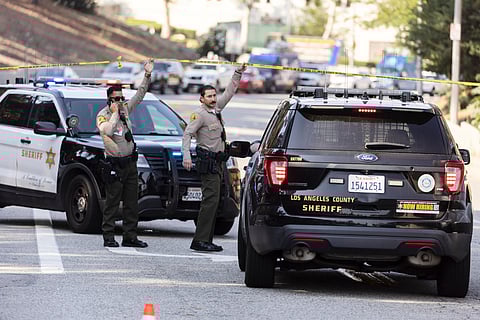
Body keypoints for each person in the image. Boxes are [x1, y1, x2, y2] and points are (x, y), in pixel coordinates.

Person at [182, 63, 247, 252]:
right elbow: (187, 134)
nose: (212, 98)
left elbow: (230, 91)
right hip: (208, 163)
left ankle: (206, 239)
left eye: (213, 95)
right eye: (208, 96)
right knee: (209, 202)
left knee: (215, 202)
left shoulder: (217, 110)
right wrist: (187, 155)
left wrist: (238, 73)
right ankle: (200, 240)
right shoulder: (200, 115)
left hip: (218, 163)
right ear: (201, 99)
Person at [96, 58, 154, 248]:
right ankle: (109, 236)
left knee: (132, 202)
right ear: (109, 100)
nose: (121, 102)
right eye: (117, 99)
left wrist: (147, 75)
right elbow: (108, 131)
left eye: (122, 98)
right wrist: (114, 113)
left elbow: (140, 94)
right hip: (114, 165)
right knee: (112, 203)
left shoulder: (126, 111)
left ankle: (130, 236)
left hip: (130, 164)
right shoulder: (103, 115)